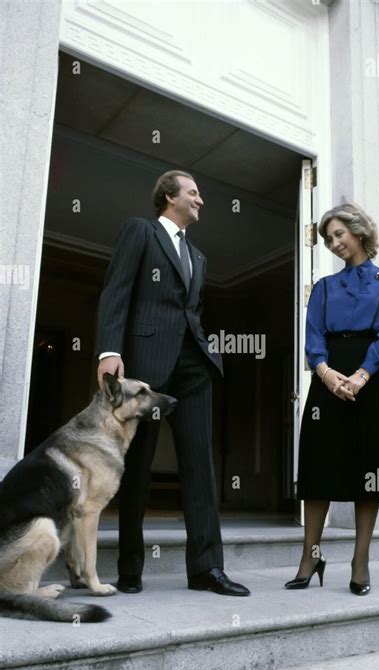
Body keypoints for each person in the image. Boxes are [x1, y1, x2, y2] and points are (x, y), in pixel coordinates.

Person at [95, 170, 250, 597]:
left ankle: (206, 570)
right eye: (194, 192)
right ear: (169, 196)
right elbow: (117, 292)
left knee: (200, 466)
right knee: (138, 465)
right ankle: (130, 570)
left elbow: (192, 312)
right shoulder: (140, 232)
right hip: (147, 366)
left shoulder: (199, 258)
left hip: (193, 368)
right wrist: (109, 350)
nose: (200, 200)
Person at [285, 203, 379, 596]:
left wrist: (360, 376)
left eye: (339, 234)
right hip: (328, 378)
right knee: (319, 468)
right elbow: (313, 338)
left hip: (371, 377)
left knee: (367, 471)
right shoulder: (322, 287)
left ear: (358, 231)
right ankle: (311, 556)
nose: (333, 243)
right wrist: (325, 373)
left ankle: (360, 561)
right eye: (328, 238)